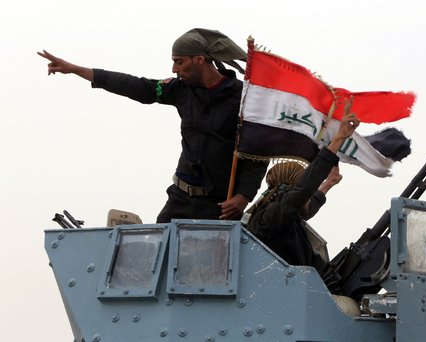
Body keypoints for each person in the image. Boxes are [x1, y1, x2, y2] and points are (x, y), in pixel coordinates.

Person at [38, 28, 267, 222]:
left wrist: (243, 197)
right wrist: (77, 70)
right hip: (179, 198)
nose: (174, 70)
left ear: (199, 59)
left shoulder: (244, 99)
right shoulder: (180, 90)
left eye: (179, 62)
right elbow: (137, 86)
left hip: (219, 207)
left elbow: (258, 153)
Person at [245, 102, 360, 273]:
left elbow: (308, 206)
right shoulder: (274, 214)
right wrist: (338, 139)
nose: (311, 194)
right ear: (292, 192)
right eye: (307, 191)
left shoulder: (282, 214)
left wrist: (328, 184)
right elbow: (305, 189)